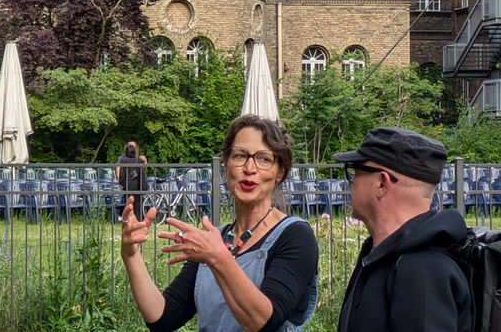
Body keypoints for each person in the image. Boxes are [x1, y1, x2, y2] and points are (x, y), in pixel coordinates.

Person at [121, 115, 318, 332]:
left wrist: (217, 258)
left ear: (280, 172)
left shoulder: (295, 236)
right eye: (240, 156)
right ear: (226, 164)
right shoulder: (214, 242)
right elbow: (163, 318)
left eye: (263, 159)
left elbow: (263, 322)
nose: (249, 168)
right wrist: (131, 256)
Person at [335, 127, 471, 332]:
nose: (350, 183)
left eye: (355, 172)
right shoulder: (382, 256)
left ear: (381, 183)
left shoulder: (421, 270)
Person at [117, 141, 148, 221]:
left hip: (128, 185)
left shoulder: (123, 160)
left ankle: (129, 218)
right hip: (138, 185)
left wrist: (121, 183)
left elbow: (122, 173)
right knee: (138, 204)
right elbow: (144, 168)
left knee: (129, 203)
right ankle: (139, 219)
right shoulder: (138, 160)